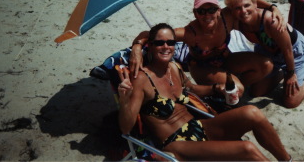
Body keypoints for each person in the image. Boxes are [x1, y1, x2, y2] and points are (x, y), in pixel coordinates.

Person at [118, 23, 292, 161]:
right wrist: (125, 100)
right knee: (247, 149)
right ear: (151, 46)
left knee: (253, 112)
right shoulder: (142, 79)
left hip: (198, 127)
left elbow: (191, 89)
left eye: (170, 42)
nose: (166, 47)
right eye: (159, 43)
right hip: (176, 144)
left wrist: (217, 89)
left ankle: (286, 160)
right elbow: (126, 128)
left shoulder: (174, 67)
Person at [130, 0, 285, 98]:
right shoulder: (189, 33)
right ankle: (232, 89)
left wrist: (272, 7)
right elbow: (149, 34)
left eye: (211, 9)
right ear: (195, 13)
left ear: (218, 10)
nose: (207, 15)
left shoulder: (227, 17)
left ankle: (231, 89)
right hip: (202, 68)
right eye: (201, 11)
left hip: (226, 60)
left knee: (267, 64)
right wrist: (137, 47)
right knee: (237, 88)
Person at [224, 0, 304, 108]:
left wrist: (291, 74)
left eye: (247, 5)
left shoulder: (270, 21)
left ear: (255, 4)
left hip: (293, 51)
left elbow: (287, 50)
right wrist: (272, 6)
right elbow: (219, 15)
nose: (243, 11)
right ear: (232, 10)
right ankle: (280, 73)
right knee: (256, 92)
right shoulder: (237, 21)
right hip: (267, 52)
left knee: (290, 102)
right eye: (237, 8)